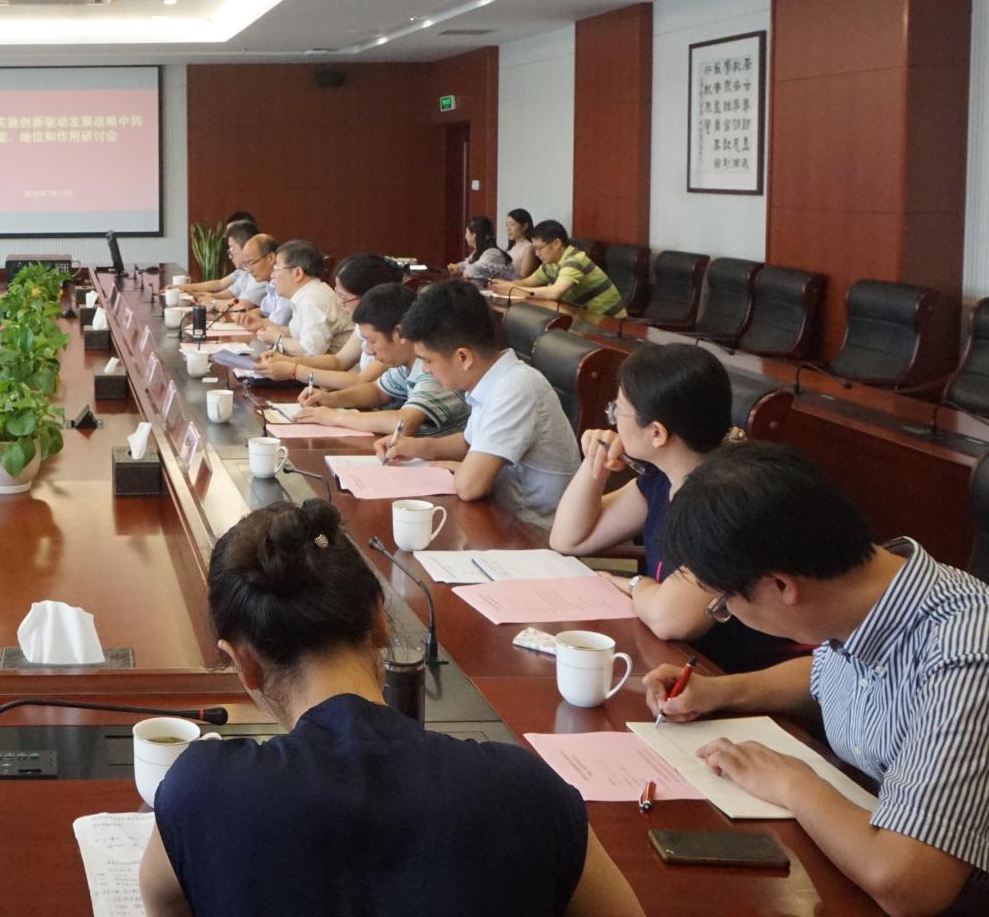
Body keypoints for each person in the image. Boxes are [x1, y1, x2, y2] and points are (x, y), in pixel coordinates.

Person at [138, 498, 641, 917]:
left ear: (242, 663)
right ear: (380, 619)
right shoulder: (525, 792)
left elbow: (160, 897)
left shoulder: (200, 793)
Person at [645, 443, 989, 916]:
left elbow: (907, 882)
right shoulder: (867, 594)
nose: (726, 615)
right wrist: (722, 691)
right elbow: (828, 675)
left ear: (781, 586)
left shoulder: (971, 656)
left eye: (723, 605)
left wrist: (792, 783)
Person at [548, 345, 800, 672]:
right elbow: (569, 539)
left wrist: (631, 584)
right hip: (677, 661)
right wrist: (596, 463)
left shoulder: (729, 499)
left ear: (657, 433)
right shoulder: (663, 479)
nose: (612, 419)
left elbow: (672, 620)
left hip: (735, 676)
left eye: (618, 410)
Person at [393, 280, 580, 526]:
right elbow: (468, 442)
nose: (425, 370)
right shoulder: (493, 378)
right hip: (499, 516)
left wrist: (461, 470)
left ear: (463, 357)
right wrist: (414, 447)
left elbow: (470, 487)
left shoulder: (516, 387)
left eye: (428, 360)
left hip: (531, 532)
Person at [295, 284, 470, 441]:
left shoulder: (433, 367)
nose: (368, 350)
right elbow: (378, 391)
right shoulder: (406, 361)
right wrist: (330, 399)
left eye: (372, 341)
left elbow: (404, 423)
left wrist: (334, 418)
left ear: (399, 333)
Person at [257, 254, 402, 385]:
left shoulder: (392, 332)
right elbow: (339, 361)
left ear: (370, 297)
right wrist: (288, 361)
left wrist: (294, 370)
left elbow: (361, 380)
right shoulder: (364, 323)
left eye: (344, 297)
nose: (339, 302)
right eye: (337, 294)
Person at [495, 221, 626, 317]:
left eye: (539, 248)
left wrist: (515, 291)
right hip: (583, 316)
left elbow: (554, 292)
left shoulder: (574, 260)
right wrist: (502, 285)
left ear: (556, 243)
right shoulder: (550, 264)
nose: (537, 254)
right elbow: (526, 282)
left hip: (610, 323)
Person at [255, 240, 352, 358]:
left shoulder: (312, 301)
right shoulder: (309, 294)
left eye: (276, 268)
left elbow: (311, 351)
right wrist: (267, 328)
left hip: (342, 368)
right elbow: (299, 332)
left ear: (297, 273)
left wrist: (277, 339)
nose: (272, 275)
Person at [186, 220, 264, 301]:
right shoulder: (244, 273)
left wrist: (210, 301)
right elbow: (222, 294)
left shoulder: (260, 277)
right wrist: (197, 295)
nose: (230, 256)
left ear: (246, 247)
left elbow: (242, 305)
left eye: (232, 249)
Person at [447, 215, 516, 284]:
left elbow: (473, 271)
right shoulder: (478, 252)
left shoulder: (493, 253)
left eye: (466, 232)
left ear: (474, 236)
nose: (465, 236)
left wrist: (460, 273)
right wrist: (457, 268)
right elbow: (466, 264)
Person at [505, 208, 540, 279]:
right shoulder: (511, 248)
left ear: (525, 226)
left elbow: (523, 277)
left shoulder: (529, 248)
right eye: (507, 225)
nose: (508, 229)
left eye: (512, 224)